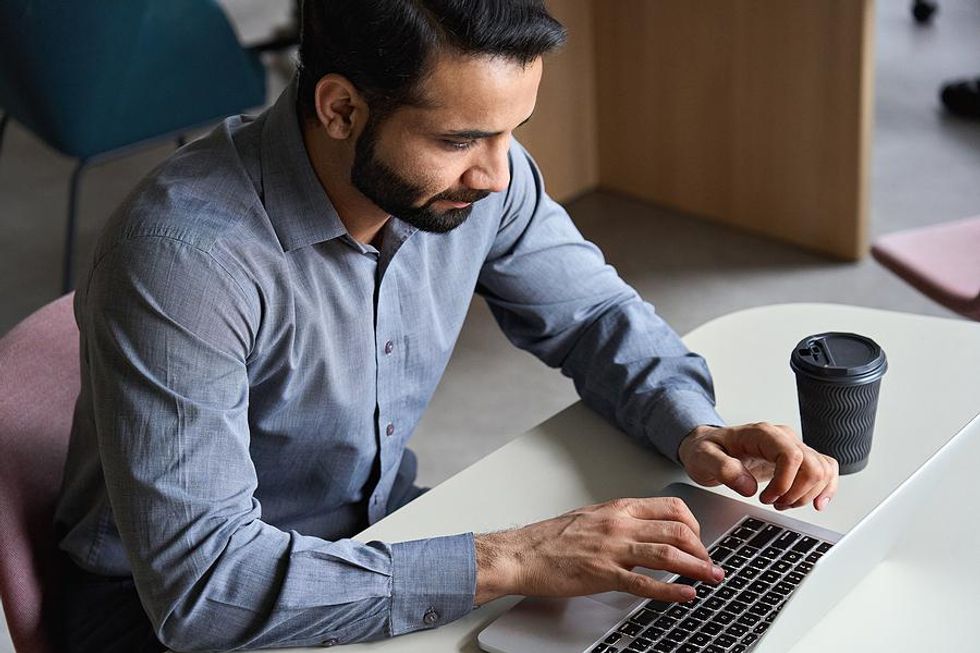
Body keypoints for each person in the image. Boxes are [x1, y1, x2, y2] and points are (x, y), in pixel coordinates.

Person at [52, 1, 839, 651]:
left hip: (381, 529)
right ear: (340, 108)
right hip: (165, 609)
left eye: (511, 130)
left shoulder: (484, 182)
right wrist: (509, 558)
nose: (496, 175)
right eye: (460, 140)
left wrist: (694, 426)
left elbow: (594, 316)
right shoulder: (184, 259)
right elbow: (203, 588)